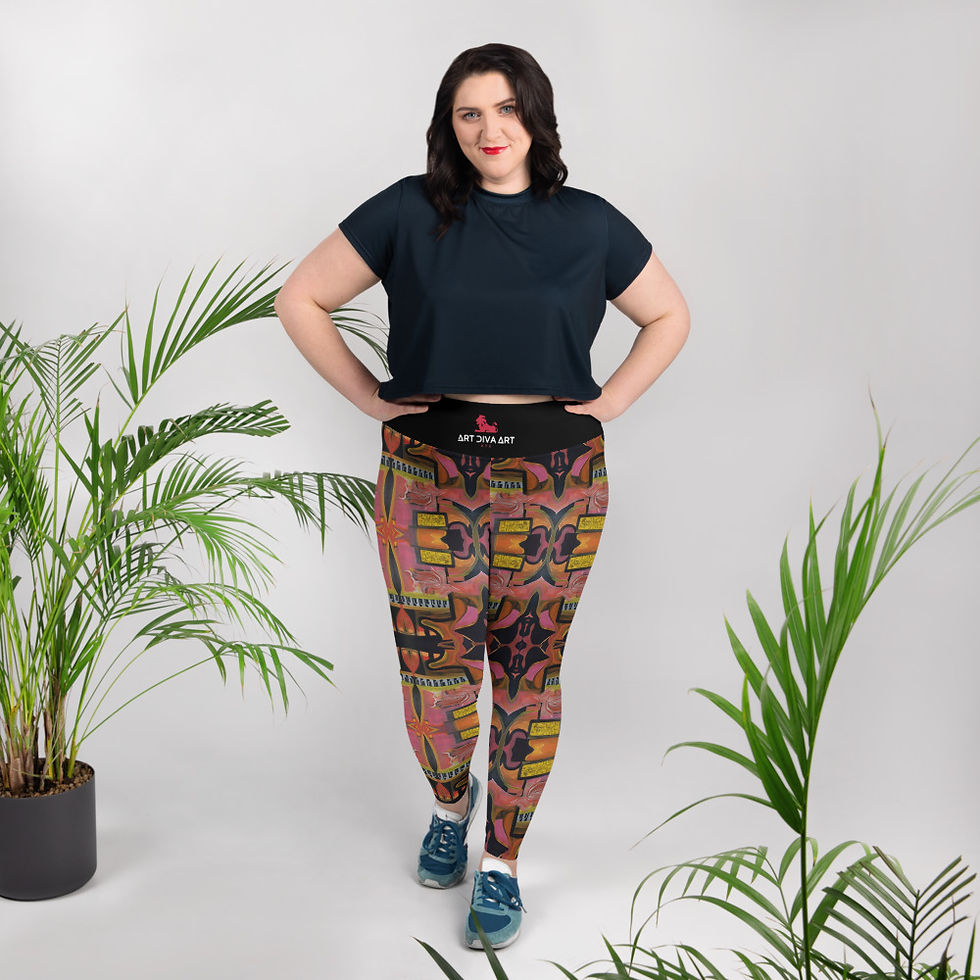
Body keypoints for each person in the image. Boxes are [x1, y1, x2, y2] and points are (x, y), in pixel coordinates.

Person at [275, 42, 690, 951]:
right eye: (469, 114)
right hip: (425, 474)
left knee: (528, 675)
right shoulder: (407, 210)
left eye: (506, 110)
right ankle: (447, 805)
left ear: (537, 117)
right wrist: (366, 394)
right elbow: (299, 297)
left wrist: (610, 401)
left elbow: (669, 315)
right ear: (447, 126)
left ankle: (500, 863)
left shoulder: (589, 223)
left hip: (555, 486)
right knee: (438, 676)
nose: (490, 130)